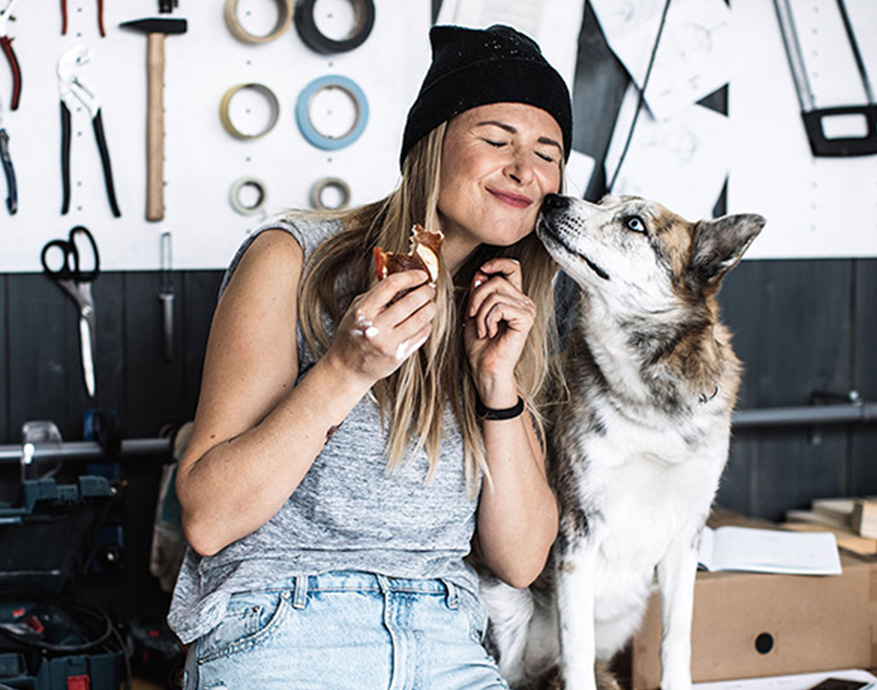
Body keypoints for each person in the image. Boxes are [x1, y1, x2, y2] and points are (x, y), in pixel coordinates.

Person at [168, 23, 573, 690]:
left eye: (548, 152)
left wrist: (498, 386)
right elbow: (209, 518)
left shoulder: (503, 312)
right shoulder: (292, 259)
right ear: (431, 146)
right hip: (283, 624)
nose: (525, 169)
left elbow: (523, 560)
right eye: (497, 140)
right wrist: (344, 369)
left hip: (446, 638)